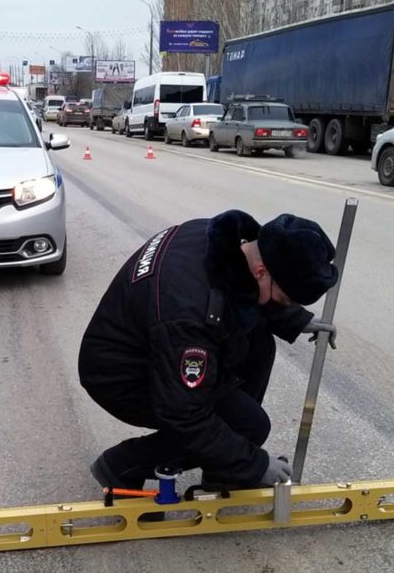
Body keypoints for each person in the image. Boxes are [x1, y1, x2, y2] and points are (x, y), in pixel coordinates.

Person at [78, 210, 339, 491]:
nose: (285, 305)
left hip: (149, 343)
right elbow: (184, 414)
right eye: (285, 299)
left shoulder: (220, 239)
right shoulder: (191, 313)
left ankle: (222, 467)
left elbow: (240, 288)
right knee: (249, 427)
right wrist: (255, 463)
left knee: (259, 345)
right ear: (262, 271)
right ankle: (121, 465)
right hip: (119, 375)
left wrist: (297, 320)